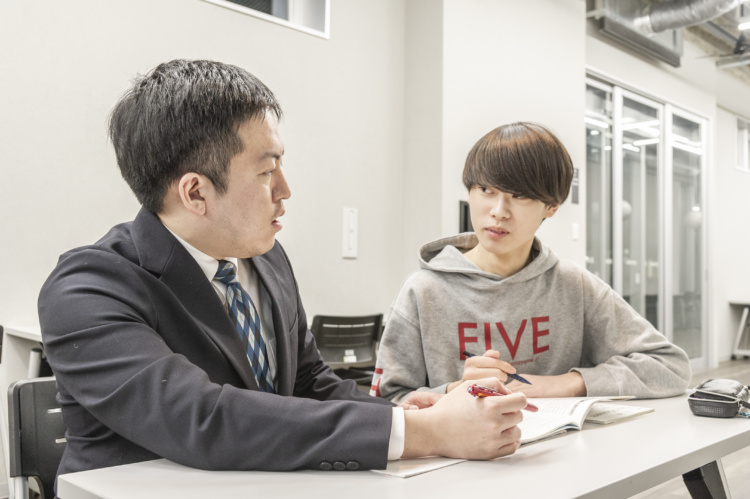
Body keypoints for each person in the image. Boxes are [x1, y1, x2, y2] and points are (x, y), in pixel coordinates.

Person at [37, 60, 527, 488]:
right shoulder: (88, 288)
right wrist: (422, 434)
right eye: (267, 171)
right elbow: (200, 420)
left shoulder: (265, 259)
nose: (285, 190)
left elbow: (308, 382)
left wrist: (404, 414)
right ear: (195, 193)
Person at [371, 122, 691, 402]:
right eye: (486, 190)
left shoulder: (572, 284)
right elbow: (389, 401)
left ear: (551, 206)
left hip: (562, 458)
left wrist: (564, 384)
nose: (499, 210)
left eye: (520, 195)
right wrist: (454, 391)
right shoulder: (424, 291)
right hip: (460, 465)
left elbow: (669, 366)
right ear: (469, 192)